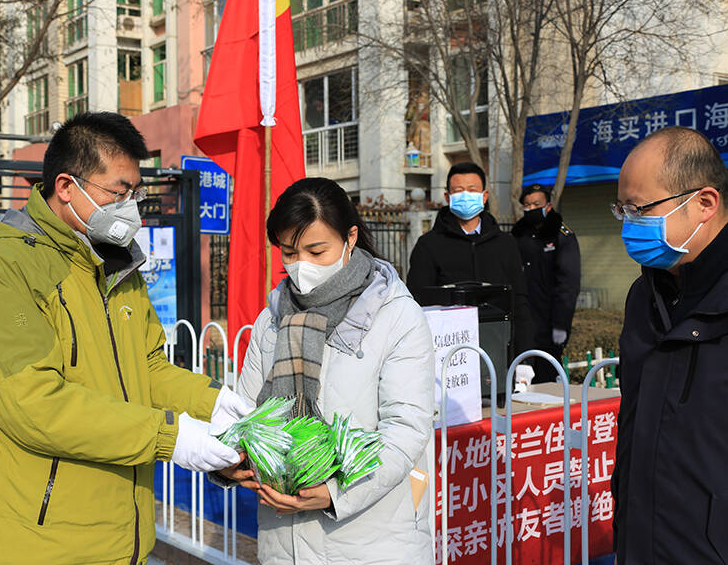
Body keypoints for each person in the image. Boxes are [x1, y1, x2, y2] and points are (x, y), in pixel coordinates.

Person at [0, 112, 251, 564]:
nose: (129, 204)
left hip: (118, 540)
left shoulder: (116, 265)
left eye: (135, 192)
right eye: (118, 191)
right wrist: (170, 436)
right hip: (35, 546)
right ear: (66, 186)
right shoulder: (5, 267)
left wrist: (212, 402)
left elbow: (147, 369)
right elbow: (35, 404)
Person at [217, 177, 435, 564]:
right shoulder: (272, 318)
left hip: (370, 542)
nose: (302, 266)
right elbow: (245, 412)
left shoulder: (395, 315)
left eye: (317, 250)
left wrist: (336, 491)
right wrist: (233, 459)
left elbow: (405, 429)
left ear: (350, 238)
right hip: (284, 540)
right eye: (289, 252)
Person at [611, 126, 728, 564]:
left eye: (639, 209)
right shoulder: (646, 296)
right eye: (621, 210)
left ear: (704, 203)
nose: (627, 224)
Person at [407, 162, 533, 355]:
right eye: (458, 190)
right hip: (449, 355)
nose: (465, 196)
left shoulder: (505, 244)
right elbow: (417, 305)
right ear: (448, 197)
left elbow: (520, 303)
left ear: (484, 196)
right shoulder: (428, 246)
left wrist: (525, 358)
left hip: (498, 350)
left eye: (472, 190)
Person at [511, 184, 581, 381]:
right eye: (527, 205)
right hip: (522, 324)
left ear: (548, 206)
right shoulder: (517, 236)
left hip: (550, 323)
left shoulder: (561, 235)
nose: (531, 208)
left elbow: (568, 284)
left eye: (536, 204)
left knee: (548, 383)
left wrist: (561, 324)